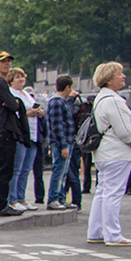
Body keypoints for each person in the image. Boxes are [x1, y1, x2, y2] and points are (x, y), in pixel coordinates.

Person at [86, 62, 131, 246]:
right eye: (119, 74)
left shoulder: (101, 99)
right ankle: (113, 234)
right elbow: (125, 130)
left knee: (103, 191)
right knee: (113, 193)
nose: (123, 76)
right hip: (116, 152)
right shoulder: (114, 100)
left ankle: (96, 231)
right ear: (109, 80)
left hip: (104, 152)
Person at [0, 52, 25, 217]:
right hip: (4, 130)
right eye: (3, 62)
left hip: (0, 130)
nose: (7, 65)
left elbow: (12, 104)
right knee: (5, 169)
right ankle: (1, 205)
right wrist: (12, 103)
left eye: (9, 62)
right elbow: (14, 105)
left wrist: (12, 103)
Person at [6, 67, 42, 211]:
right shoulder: (11, 94)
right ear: (11, 80)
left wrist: (38, 111)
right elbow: (14, 114)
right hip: (20, 134)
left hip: (32, 134)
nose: (21, 79)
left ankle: (22, 198)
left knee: (26, 169)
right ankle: (12, 199)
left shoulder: (26, 94)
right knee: (17, 168)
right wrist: (29, 113)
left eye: (23, 77)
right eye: (17, 77)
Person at [45, 75, 79, 210]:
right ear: (68, 87)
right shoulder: (57, 102)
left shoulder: (58, 101)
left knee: (63, 172)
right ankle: (53, 199)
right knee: (58, 171)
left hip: (64, 141)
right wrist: (63, 146)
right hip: (62, 142)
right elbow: (57, 126)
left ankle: (60, 198)